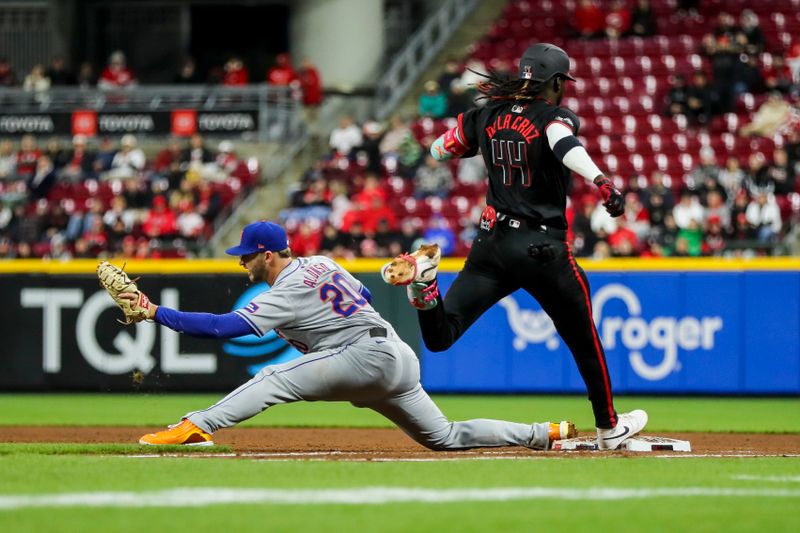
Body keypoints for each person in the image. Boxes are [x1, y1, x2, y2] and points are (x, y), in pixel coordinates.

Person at [380, 43, 648, 450]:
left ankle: (425, 287)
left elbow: (439, 149)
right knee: (583, 339)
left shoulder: (485, 114)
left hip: (492, 244)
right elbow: (563, 144)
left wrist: (479, 138)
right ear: (556, 82)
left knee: (441, 335)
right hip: (541, 248)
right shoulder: (553, 116)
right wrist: (601, 181)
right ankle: (609, 428)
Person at [129, 220, 576, 449]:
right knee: (445, 436)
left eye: (247, 256)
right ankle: (544, 432)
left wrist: (155, 312)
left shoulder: (286, 288)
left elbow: (223, 327)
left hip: (363, 356)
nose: (241, 262)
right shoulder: (323, 262)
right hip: (396, 355)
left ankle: (196, 425)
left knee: (271, 379)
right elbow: (360, 292)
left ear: (267, 255)